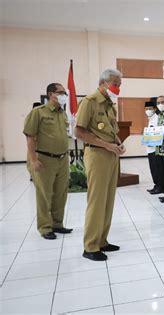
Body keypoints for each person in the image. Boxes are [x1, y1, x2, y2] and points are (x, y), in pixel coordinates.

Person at [75, 69, 126, 261]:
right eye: (115, 83)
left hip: (111, 155)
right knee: (96, 201)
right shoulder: (89, 102)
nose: (117, 88)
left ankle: (102, 240)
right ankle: (90, 246)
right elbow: (79, 132)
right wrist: (107, 145)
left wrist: (118, 143)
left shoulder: (109, 105)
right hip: (96, 154)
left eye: (119, 84)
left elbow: (113, 131)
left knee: (108, 200)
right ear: (102, 83)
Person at [23, 83, 73, 240]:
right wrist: (33, 160)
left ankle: (57, 224)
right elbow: (30, 137)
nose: (64, 95)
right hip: (44, 159)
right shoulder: (38, 112)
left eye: (65, 92)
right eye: (61, 92)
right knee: (45, 195)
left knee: (61, 193)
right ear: (51, 94)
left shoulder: (63, 114)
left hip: (62, 159)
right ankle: (45, 227)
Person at [144, 99, 162, 195]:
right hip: (150, 148)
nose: (148, 110)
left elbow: (158, 133)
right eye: (146, 109)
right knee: (153, 169)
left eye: (150, 108)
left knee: (157, 169)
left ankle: (159, 187)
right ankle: (156, 186)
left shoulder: (157, 118)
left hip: (155, 149)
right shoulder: (150, 119)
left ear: (155, 109)